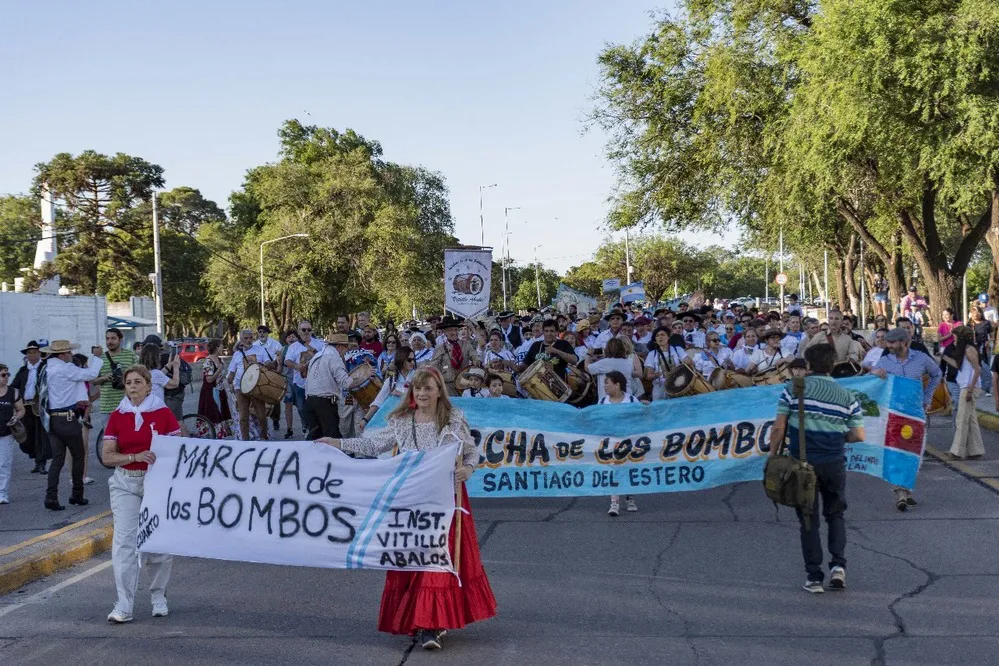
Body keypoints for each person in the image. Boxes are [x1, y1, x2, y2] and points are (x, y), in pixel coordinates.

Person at [317, 368, 497, 650]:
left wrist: (467, 469)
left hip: (447, 500)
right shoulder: (401, 421)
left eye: (428, 388)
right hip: (412, 502)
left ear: (439, 391)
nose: (422, 394)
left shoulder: (453, 419)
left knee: (437, 561)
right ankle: (426, 620)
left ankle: (432, 626)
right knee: (415, 560)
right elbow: (374, 443)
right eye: (417, 389)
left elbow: (471, 451)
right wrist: (337, 443)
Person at [767, 344, 865, 593]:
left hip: (802, 465)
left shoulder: (793, 389)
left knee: (808, 520)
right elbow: (858, 435)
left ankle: (813, 576)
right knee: (835, 514)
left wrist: (771, 455)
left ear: (808, 366)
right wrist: (836, 437)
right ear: (832, 365)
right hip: (834, 463)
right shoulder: (847, 396)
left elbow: (778, 428)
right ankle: (838, 568)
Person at [101, 364, 181, 623]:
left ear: (148, 384)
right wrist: (134, 456)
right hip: (126, 483)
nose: (133, 386)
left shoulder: (163, 413)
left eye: (137, 382)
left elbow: (178, 449)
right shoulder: (117, 415)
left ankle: (158, 595)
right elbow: (107, 456)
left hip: (156, 483)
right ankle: (124, 603)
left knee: (158, 541)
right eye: (128, 383)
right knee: (124, 542)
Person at [870, 327, 942, 510]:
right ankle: (900, 492)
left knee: (913, 453)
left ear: (904, 342)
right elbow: (871, 381)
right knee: (896, 452)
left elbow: (937, 374)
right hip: (893, 414)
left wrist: (927, 397)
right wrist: (874, 373)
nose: (889, 345)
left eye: (892, 342)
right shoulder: (885, 361)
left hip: (915, 413)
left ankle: (906, 488)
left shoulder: (921, 359)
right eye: (887, 342)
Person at [41, 340, 103, 511]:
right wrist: (96, 357)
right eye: (69, 353)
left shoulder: (46, 369)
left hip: (52, 418)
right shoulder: (66, 368)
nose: (71, 355)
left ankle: (51, 496)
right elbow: (90, 374)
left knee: (57, 459)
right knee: (78, 455)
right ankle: (77, 494)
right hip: (67, 419)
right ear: (62, 355)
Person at [91, 327, 139, 455]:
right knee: (110, 438)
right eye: (107, 339)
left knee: (128, 437)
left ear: (120, 339)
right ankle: (114, 461)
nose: (109, 341)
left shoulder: (130, 356)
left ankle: (127, 463)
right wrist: (104, 377)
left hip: (127, 404)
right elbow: (93, 380)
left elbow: (141, 375)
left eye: (113, 338)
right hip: (107, 405)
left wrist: (126, 378)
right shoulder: (101, 359)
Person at [943, 326, 984, 460]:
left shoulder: (969, 350)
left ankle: (956, 452)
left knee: (961, 420)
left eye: (955, 336)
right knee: (971, 419)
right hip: (966, 386)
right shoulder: (964, 350)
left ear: (961, 337)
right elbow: (958, 365)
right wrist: (944, 356)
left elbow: (978, 370)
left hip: (968, 388)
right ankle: (976, 450)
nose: (953, 339)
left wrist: (970, 390)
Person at [304, 333, 352, 439]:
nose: (347, 350)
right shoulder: (334, 357)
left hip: (310, 401)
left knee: (315, 438)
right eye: (346, 346)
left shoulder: (317, 356)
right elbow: (346, 382)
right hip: (325, 403)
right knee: (332, 438)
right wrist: (362, 378)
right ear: (339, 346)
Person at [11, 340, 49, 473]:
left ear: (39, 353)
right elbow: (14, 386)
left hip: (39, 407)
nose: (32, 355)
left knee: (41, 436)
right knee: (27, 436)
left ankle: (41, 462)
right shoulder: (23, 370)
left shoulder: (44, 368)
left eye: (34, 353)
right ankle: (35, 458)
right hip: (24, 407)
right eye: (29, 353)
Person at [226, 329, 270, 441]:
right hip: (240, 388)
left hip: (256, 386)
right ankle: (245, 441)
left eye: (250, 338)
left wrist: (268, 364)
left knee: (261, 415)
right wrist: (229, 380)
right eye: (246, 338)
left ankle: (264, 437)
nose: (249, 340)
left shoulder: (260, 350)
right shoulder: (237, 354)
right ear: (241, 340)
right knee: (243, 417)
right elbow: (231, 373)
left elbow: (268, 363)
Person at [284, 320, 326, 435]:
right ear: (299, 331)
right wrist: (296, 366)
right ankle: (306, 425)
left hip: (316, 382)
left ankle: (315, 429)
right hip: (300, 383)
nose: (306, 332)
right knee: (301, 408)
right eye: (303, 330)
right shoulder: (293, 347)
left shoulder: (320, 344)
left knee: (316, 408)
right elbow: (287, 361)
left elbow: (327, 358)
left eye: (309, 329)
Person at [360, 346, 417, 431]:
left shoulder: (418, 377)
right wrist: (365, 420)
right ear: (401, 359)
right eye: (409, 360)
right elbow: (378, 401)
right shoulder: (391, 380)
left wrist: (402, 395)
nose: (412, 362)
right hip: (394, 423)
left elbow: (422, 399)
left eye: (414, 359)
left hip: (413, 421)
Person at [430, 316, 480, 395]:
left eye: (456, 329)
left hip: (465, 384)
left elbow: (474, 355)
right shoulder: (440, 348)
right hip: (448, 385)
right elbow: (433, 365)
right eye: (450, 330)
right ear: (445, 332)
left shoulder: (466, 344)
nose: (454, 332)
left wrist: (476, 360)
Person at [0, 363, 26, 504]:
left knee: (4, 464)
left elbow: (21, 409)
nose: (6, 377)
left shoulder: (13, 392)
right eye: (3, 375)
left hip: (6, 433)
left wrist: (16, 417)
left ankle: (2, 493)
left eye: (7, 374)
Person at [585, 338, 639, 403]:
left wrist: (588, 355)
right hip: (627, 398)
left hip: (608, 401)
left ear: (608, 349)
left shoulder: (605, 362)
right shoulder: (629, 362)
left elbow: (587, 368)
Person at [197, 339, 232, 433]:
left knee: (221, 412)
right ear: (216, 348)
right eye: (221, 346)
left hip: (220, 391)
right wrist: (219, 370)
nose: (222, 348)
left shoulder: (220, 360)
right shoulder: (208, 361)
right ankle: (213, 434)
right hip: (210, 393)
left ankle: (221, 434)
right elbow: (209, 379)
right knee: (212, 413)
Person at [278, 329, 300, 439]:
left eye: (293, 336)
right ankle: (289, 428)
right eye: (289, 336)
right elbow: (280, 366)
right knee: (288, 404)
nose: (291, 338)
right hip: (287, 380)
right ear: (286, 339)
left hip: (300, 380)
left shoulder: (301, 349)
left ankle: (306, 426)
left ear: (297, 338)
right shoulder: (284, 349)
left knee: (301, 405)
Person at [970, 307, 993, 395]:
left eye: (977, 312)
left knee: (985, 366)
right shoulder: (970, 324)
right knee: (975, 367)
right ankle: (975, 386)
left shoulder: (986, 323)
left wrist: (989, 341)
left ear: (981, 313)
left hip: (984, 347)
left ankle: (987, 388)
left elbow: (992, 336)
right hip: (973, 348)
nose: (975, 314)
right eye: (973, 313)